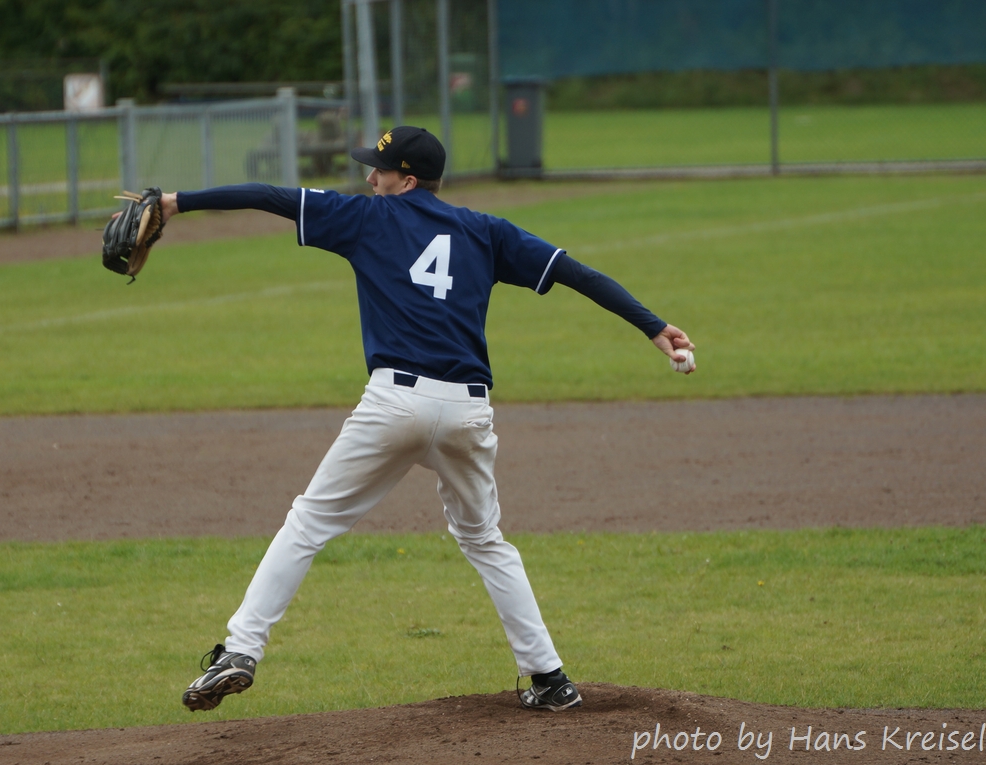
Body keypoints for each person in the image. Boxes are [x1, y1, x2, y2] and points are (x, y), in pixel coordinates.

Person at [167, 126, 695, 713]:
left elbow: (267, 195)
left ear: (408, 180)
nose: (371, 177)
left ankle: (241, 650)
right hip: (468, 410)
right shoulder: (485, 230)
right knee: (486, 540)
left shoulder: (365, 218)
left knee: (309, 523)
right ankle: (550, 678)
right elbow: (577, 274)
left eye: (380, 169)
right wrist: (653, 326)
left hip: (393, 405)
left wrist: (175, 203)